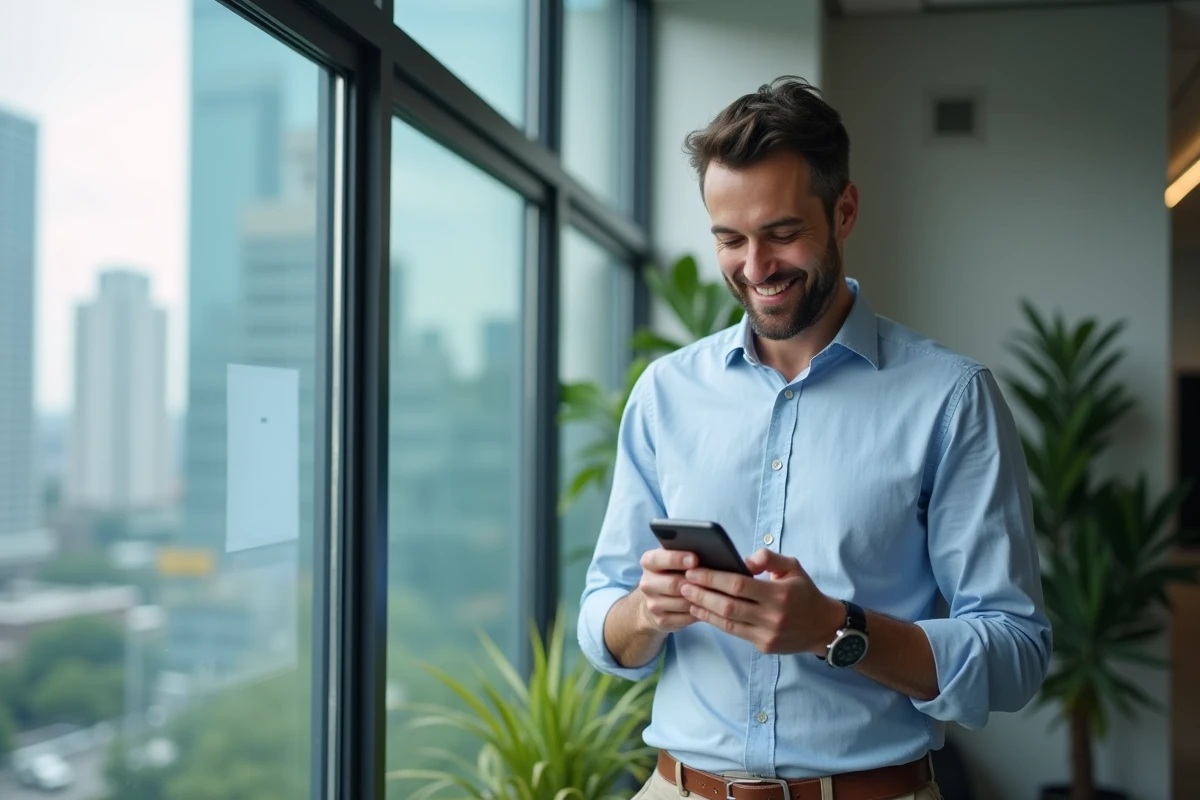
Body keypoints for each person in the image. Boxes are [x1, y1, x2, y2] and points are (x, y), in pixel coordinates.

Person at [577, 76, 1052, 800]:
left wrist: (835, 628)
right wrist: (647, 612)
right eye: (730, 239)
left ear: (844, 211)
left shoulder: (951, 399)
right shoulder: (664, 393)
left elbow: (1015, 654)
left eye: (782, 233)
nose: (754, 268)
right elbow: (602, 621)